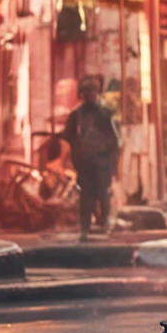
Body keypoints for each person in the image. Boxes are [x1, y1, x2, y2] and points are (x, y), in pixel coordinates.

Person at [62, 76, 121, 241]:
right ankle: (85, 228)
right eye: (86, 91)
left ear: (97, 92)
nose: (90, 95)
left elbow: (115, 141)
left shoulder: (106, 114)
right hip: (85, 163)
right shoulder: (76, 115)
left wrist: (111, 163)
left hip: (102, 163)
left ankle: (104, 225)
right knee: (86, 197)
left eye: (93, 91)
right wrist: (76, 156)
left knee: (102, 194)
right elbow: (69, 137)